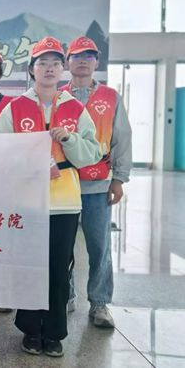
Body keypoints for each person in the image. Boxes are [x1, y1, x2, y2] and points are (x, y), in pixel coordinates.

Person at [0, 36, 102, 357]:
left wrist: (69, 139)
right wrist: (30, 163)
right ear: (32, 69)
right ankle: (30, 329)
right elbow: (0, 153)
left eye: (56, 63)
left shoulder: (75, 108)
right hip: (27, 201)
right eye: (43, 63)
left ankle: (54, 332)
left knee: (59, 268)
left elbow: (92, 154)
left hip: (64, 202)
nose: (50, 68)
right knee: (29, 265)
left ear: (62, 69)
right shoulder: (14, 108)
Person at [61, 36, 132, 328]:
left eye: (88, 56)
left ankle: (100, 303)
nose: (82, 61)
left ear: (96, 62)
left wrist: (120, 178)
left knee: (99, 246)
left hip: (98, 184)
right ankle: (65, 295)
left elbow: (122, 138)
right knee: (62, 246)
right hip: (63, 184)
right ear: (67, 62)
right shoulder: (58, 96)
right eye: (76, 56)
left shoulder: (111, 96)